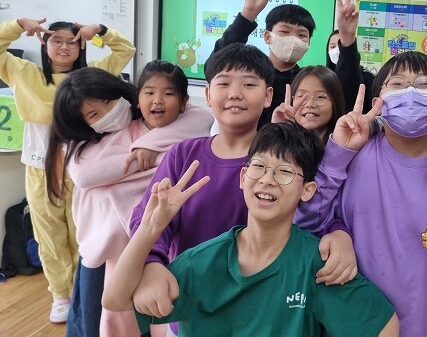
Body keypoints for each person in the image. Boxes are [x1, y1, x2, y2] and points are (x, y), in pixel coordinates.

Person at [129, 44, 358, 336]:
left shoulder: (284, 163)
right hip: (194, 308)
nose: (235, 93)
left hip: (267, 314)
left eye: (249, 84)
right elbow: (148, 217)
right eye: (224, 83)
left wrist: (339, 233)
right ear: (208, 94)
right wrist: (151, 262)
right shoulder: (183, 156)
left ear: (268, 96)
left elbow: (314, 210)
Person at [103, 121, 399, 336]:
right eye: (259, 167)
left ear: (307, 190)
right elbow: (115, 301)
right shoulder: (200, 263)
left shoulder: (314, 264)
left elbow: (383, 326)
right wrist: (148, 230)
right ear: (243, 177)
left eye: (285, 171)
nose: (267, 180)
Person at [295, 50, 427, 336]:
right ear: (378, 103)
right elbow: (303, 224)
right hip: (351, 325)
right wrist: (337, 155)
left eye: (423, 84)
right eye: (397, 84)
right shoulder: (353, 156)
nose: (410, 92)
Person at [45, 62, 213, 337]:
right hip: (104, 248)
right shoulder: (90, 142)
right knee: (101, 316)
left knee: (154, 313)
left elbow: (202, 118)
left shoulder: (159, 121)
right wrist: (139, 158)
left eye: (109, 102)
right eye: (94, 114)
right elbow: (85, 176)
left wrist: (152, 148)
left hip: (153, 242)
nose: (108, 114)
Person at [0, 17, 134, 323]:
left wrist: (100, 31)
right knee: (48, 233)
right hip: (40, 166)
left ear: (81, 45)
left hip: (82, 166)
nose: (64, 47)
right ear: (44, 43)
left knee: (81, 231)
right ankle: (60, 294)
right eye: (56, 40)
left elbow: (125, 50)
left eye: (72, 41)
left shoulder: (91, 76)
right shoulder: (25, 73)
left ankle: (80, 290)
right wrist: (18, 25)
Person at [212, 0, 315, 127]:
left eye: (302, 35)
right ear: (267, 36)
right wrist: (249, 12)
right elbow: (217, 64)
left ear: (308, 42)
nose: (293, 39)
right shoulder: (251, 72)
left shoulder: (307, 80)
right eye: (285, 31)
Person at [326, 0, 375, 114]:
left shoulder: (366, 78)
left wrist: (347, 37)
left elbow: (348, 74)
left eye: (340, 45)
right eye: (332, 46)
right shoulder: (320, 77)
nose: (337, 50)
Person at [272, 65, 344, 144]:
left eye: (320, 97)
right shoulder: (288, 141)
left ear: (335, 102)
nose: (310, 104)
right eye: (301, 96)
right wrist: (278, 132)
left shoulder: (345, 144)